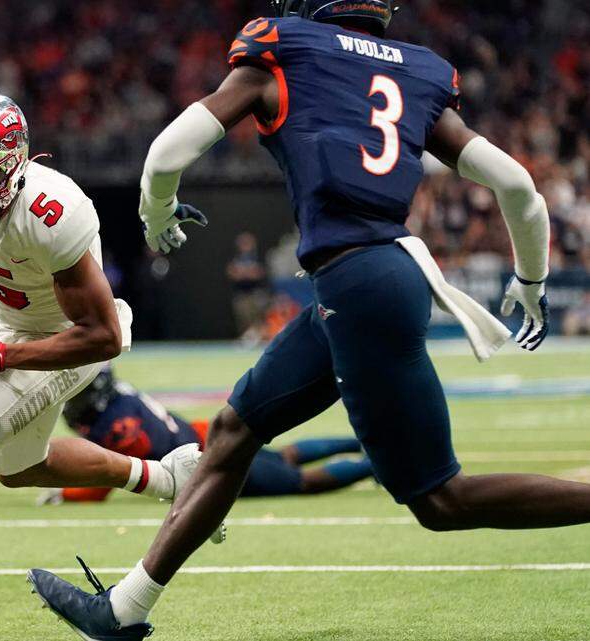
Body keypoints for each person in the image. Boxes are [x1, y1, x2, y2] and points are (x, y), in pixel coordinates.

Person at [29, 2, 590, 638]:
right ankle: (124, 609)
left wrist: (157, 219)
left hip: (359, 283)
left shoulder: (283, 52)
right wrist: (533, 278)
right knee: (233, 432)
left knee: (440, 499)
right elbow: (519, 186)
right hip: (363, 281)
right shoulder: (418, 71)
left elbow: (164, 155)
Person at [0, 89, 212, 641]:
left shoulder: (51, 212)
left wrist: (1, 356)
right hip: (12, 325)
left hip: (68, 335)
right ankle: (167, 476)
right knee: (19, 469)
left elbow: (103, 336)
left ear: (12, 169)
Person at [40, 368, 373, 504]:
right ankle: (363, 442)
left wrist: (68, 493)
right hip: (202, 434)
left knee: (300, 481)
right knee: (285, 457)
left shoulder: (116, 425)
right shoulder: (120, 397)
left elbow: (109, 475)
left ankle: (378, 463)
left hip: (209, 459)